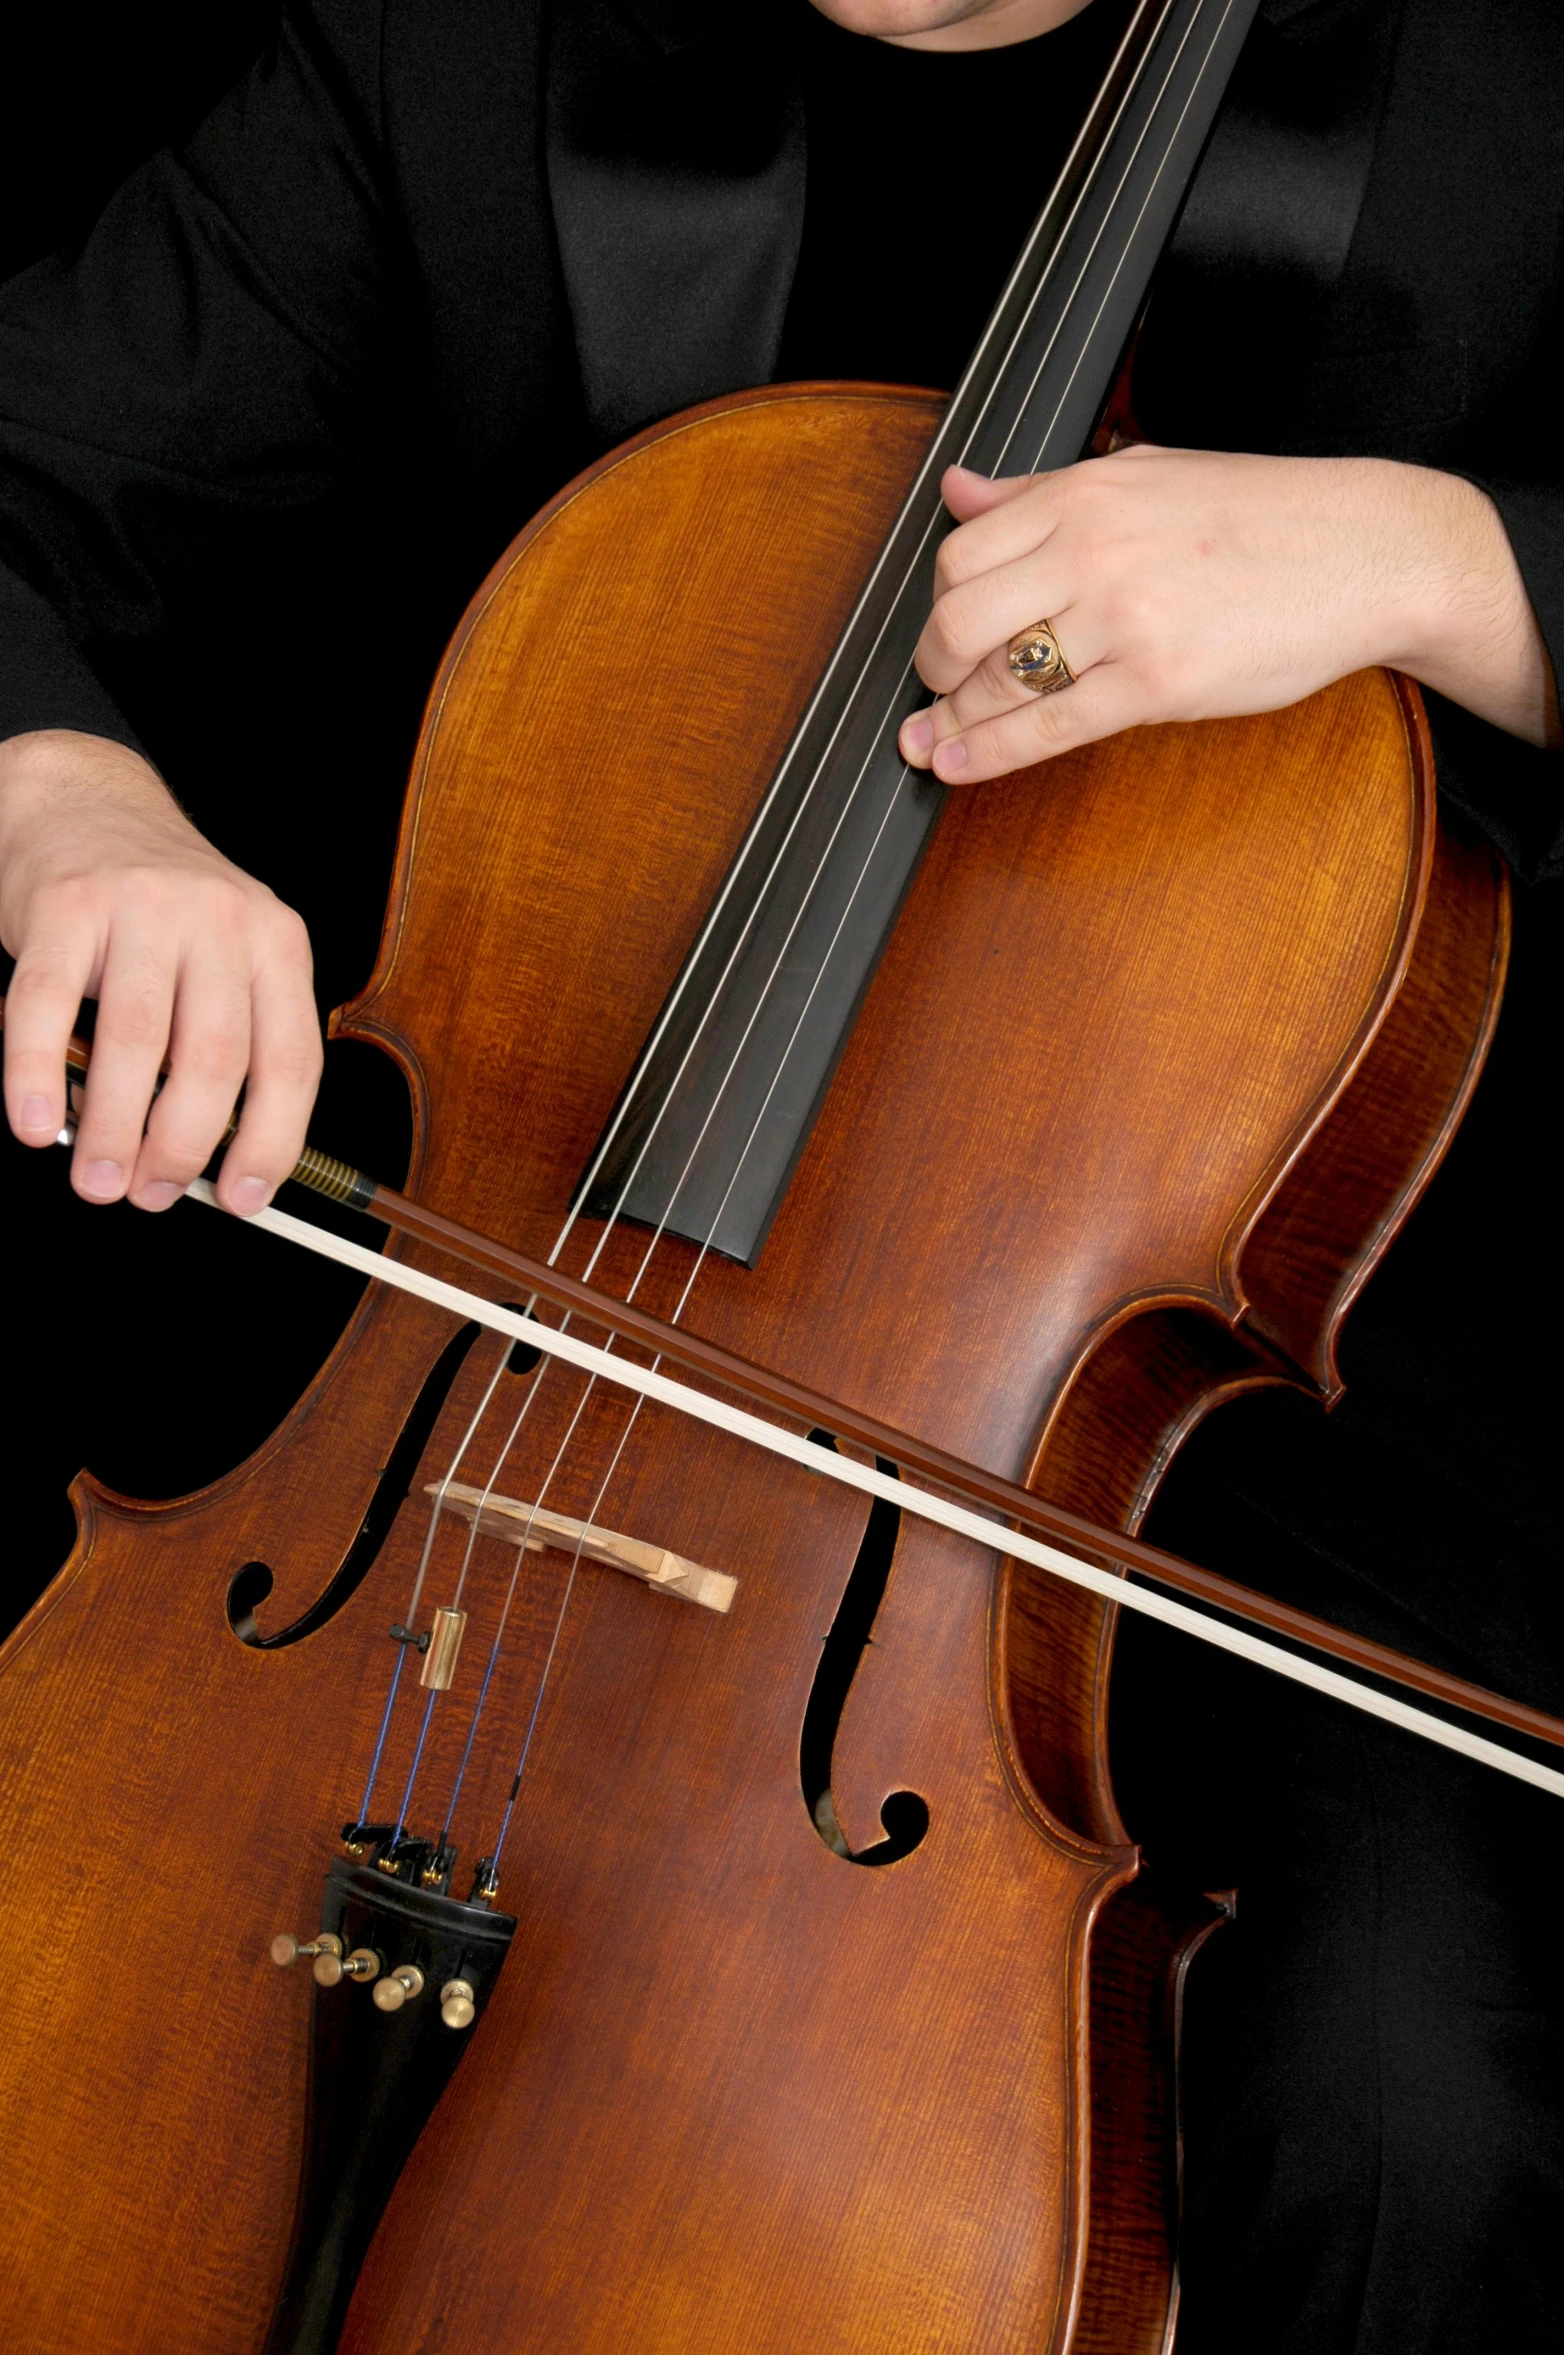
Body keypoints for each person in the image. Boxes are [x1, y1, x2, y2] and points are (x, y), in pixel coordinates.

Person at [0, 1, 1557, 2346]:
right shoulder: (449, 54)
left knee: (1393, 2120)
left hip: (1272, 1390)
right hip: (506, 1311)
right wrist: (65, 807)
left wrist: (1449, 560)